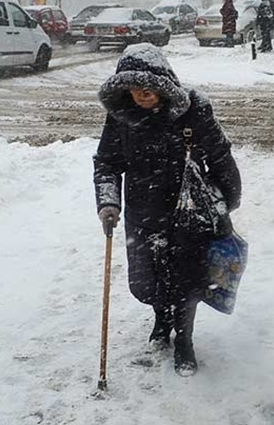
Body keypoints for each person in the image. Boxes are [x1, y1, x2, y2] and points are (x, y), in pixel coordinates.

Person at [93, 44, 241, 377]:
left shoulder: (194, 110)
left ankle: (184, 339)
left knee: (187, 281)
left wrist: (226, 201)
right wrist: (108, 202)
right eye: (131, 88)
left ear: (164, 83)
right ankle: (161, 317)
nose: (139, 94)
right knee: (147, 281)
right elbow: (106, 163)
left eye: (147, 87)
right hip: (142, 211)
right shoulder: (121, 115)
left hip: (188, 213)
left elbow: (220, 157)